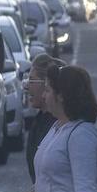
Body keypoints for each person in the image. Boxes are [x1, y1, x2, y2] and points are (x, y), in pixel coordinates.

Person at [33, 63, 97, 192]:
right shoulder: (57, 128)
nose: (43, 96)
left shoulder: (81, 135)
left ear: (61, 96)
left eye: (47, 90)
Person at [23, 53, 64, 181]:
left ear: (47, 84)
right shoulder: (40, 120)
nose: (26, 86)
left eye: (32, 80)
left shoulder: (62, 125)